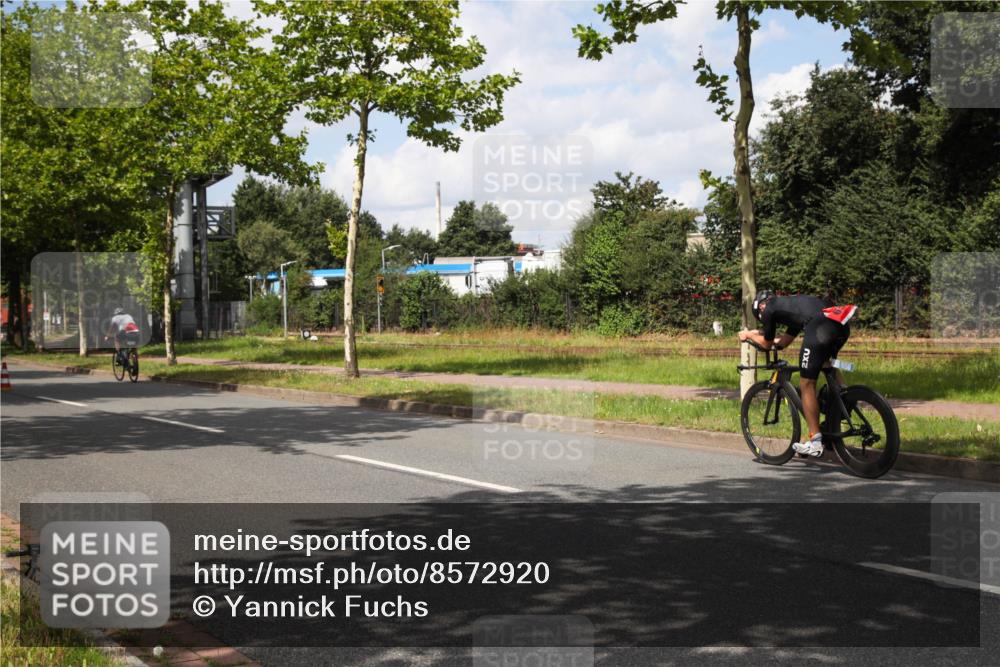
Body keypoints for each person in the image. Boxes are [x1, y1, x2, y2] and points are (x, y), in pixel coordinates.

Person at [738, 290, 857, 457]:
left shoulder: (768, 309)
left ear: (760, 307)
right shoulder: (792, 308)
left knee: (807, 382)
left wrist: (749, 335)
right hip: (840, 323)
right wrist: (765, 340)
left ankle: (815, 441)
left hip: (819, 326)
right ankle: (844, 404)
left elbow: (766, 344)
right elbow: (783, 343)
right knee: (826, 364)